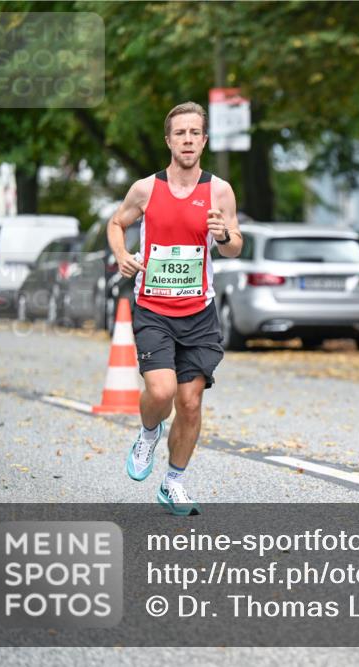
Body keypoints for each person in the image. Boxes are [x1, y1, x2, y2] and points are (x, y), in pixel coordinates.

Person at [107, 101, 242, 516]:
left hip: (199, 313)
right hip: (153, 308)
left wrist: (223, 236)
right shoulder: (146, 189)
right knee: (162, 392)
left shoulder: (218, 191)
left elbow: (235, 246)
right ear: (169, 141)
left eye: (194, 133)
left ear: (204, 140)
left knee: (190, 402)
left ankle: (174, 482)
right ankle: (149, 432)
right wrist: (122, 255)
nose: (187, 140)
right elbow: (116, 223)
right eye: (179, 133)